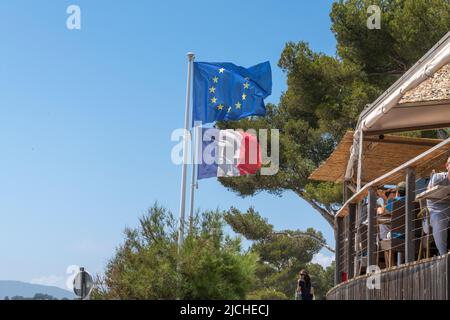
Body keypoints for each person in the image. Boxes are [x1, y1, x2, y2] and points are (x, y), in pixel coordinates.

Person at [426, 157, 450, 256]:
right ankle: (443, 255)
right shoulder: (438, 177)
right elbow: (428, 193)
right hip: (435, 209)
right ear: (447, 165)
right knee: (439, 219)